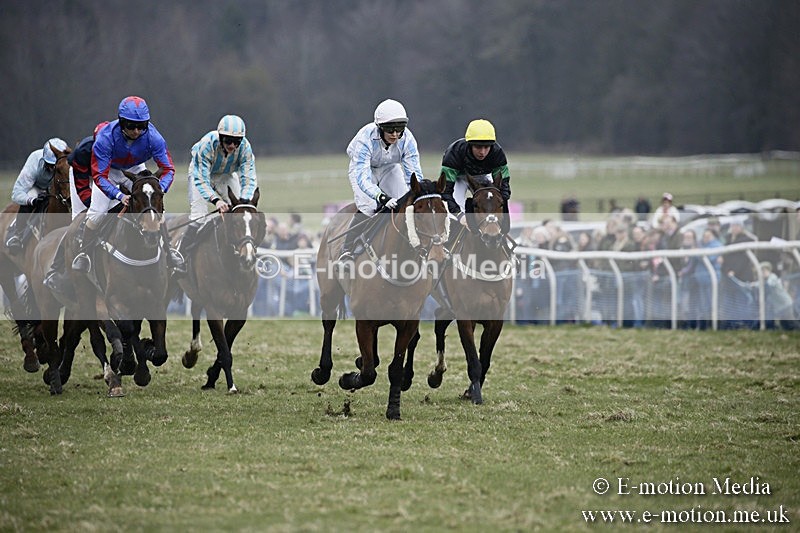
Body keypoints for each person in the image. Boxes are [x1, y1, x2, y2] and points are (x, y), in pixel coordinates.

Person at [69, 96, 183, 275]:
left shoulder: (154, 138)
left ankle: (169, 254)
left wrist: (160, 190)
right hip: (108, 172)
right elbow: (99, 175)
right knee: (98, 213)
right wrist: (119, 196)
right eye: (131, 126)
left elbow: (168, 169)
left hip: (135, 168)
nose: (137, 131)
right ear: (122, 123)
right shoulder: (105, 138)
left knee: (152, 206)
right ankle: (84, 253)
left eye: (141, 126)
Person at [337, 98, 424, 264]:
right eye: (390, 129)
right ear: (379, 127)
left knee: (405, 204)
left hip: (390, 168)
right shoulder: (366, 138)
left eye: (399, 129)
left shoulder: (408, 140)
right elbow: (362, 177)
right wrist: (381, 197)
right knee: (369, 206)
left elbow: (413, 174)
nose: (395, 134)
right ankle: (347, 250)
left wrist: (417, 194)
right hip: (364, 169)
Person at [178, 115, 257, 257]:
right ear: (220, 137)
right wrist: (216, 200)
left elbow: (248, 177)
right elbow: (201, 179)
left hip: (225, 175)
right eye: (228, 140)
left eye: (237, 141)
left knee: (241, 212)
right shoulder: (206, 145)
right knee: (199, 217)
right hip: (201, 175)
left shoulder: (245, 148)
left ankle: (243, 250)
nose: (232, 145)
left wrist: (245, 201)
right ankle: (180, 256)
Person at [5, 137, 69, 254]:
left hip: (57, 188)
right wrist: (32, 200)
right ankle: (17, 234)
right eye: (49, 165)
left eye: (55, 166)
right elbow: (16, 194)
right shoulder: (35, 160)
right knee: (31, 196)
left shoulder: (67, 164)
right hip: (37, 187)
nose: (52, 169)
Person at [440, 119, 511, 224]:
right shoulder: (454, 153)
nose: (482, 152)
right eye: (478, 147)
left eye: (486, 147)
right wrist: (459, 216)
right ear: (470, 144)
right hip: (459, 179)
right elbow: (445, 192)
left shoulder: (497, 153)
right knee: (456, 211)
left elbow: (504, 189)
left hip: (483, 177)